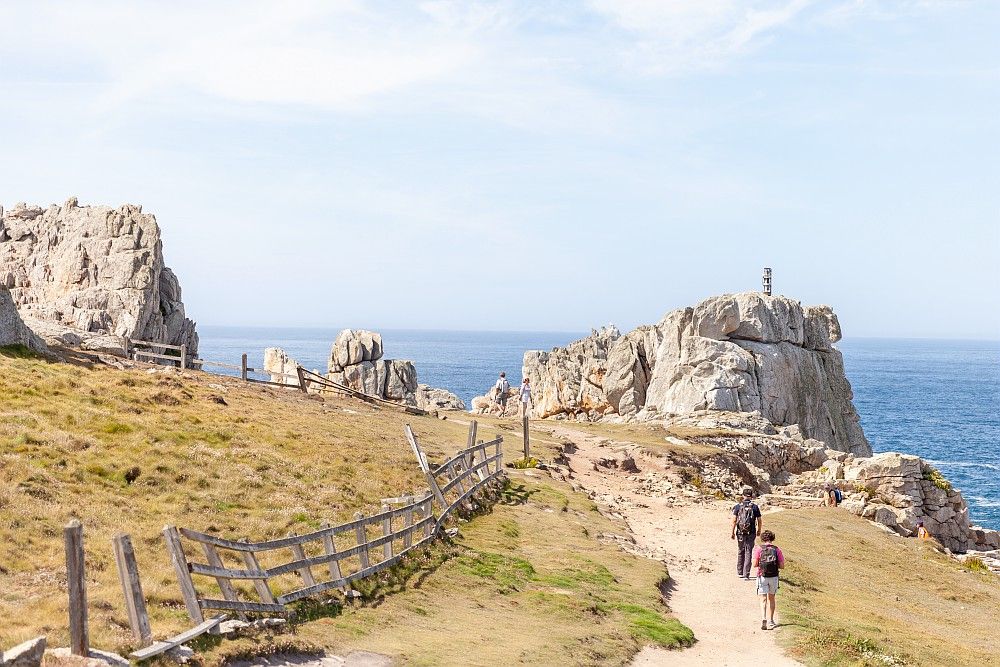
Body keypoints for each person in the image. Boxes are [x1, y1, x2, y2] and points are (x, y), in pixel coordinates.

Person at [752, 529, 785, 630]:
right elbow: (782, 566)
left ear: (763, 539)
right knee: (772, 599)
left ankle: (763, 618)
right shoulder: (777, 550)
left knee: (763, 599)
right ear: (772, 538)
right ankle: (771, 620)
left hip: (762, 576)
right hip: (773, 577)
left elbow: (754, 564)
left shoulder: (759, 549)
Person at [731, 488, 762, 580]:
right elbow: (759, 520)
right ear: (751, 496)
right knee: (749, 551)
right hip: (751, 532)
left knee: (741, 550)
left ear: (743, 495)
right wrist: (759, 530)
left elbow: (734, 520)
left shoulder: (737, 506)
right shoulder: (755, 507)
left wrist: (732, 532)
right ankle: (746, 574)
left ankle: (739, 572)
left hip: (740, 532)